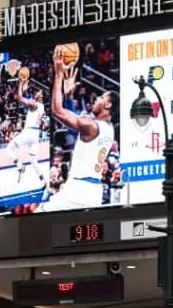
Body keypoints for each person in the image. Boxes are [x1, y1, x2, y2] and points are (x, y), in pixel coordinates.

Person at [38, 43, 116, 212]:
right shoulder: (109, 129)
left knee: (37, 217)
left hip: (79, 188)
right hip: (94, 191)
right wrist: (68, 96)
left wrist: (58, 75)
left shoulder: (91, 124)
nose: (96, 99)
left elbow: (56, 111)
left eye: (101, 97)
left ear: (108, 104)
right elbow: (75, 129)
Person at [4, 75, 46, 183]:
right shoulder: (42, 107)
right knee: (34, 161)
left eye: (39, 92)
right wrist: (24, 90)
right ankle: (44, 182)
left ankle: (20, 166)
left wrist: (21, 83)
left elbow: (19, 98)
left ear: (41, 96)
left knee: (8, 149)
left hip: (29, 132)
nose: (36, 93)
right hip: (36, 135)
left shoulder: (35, 104)